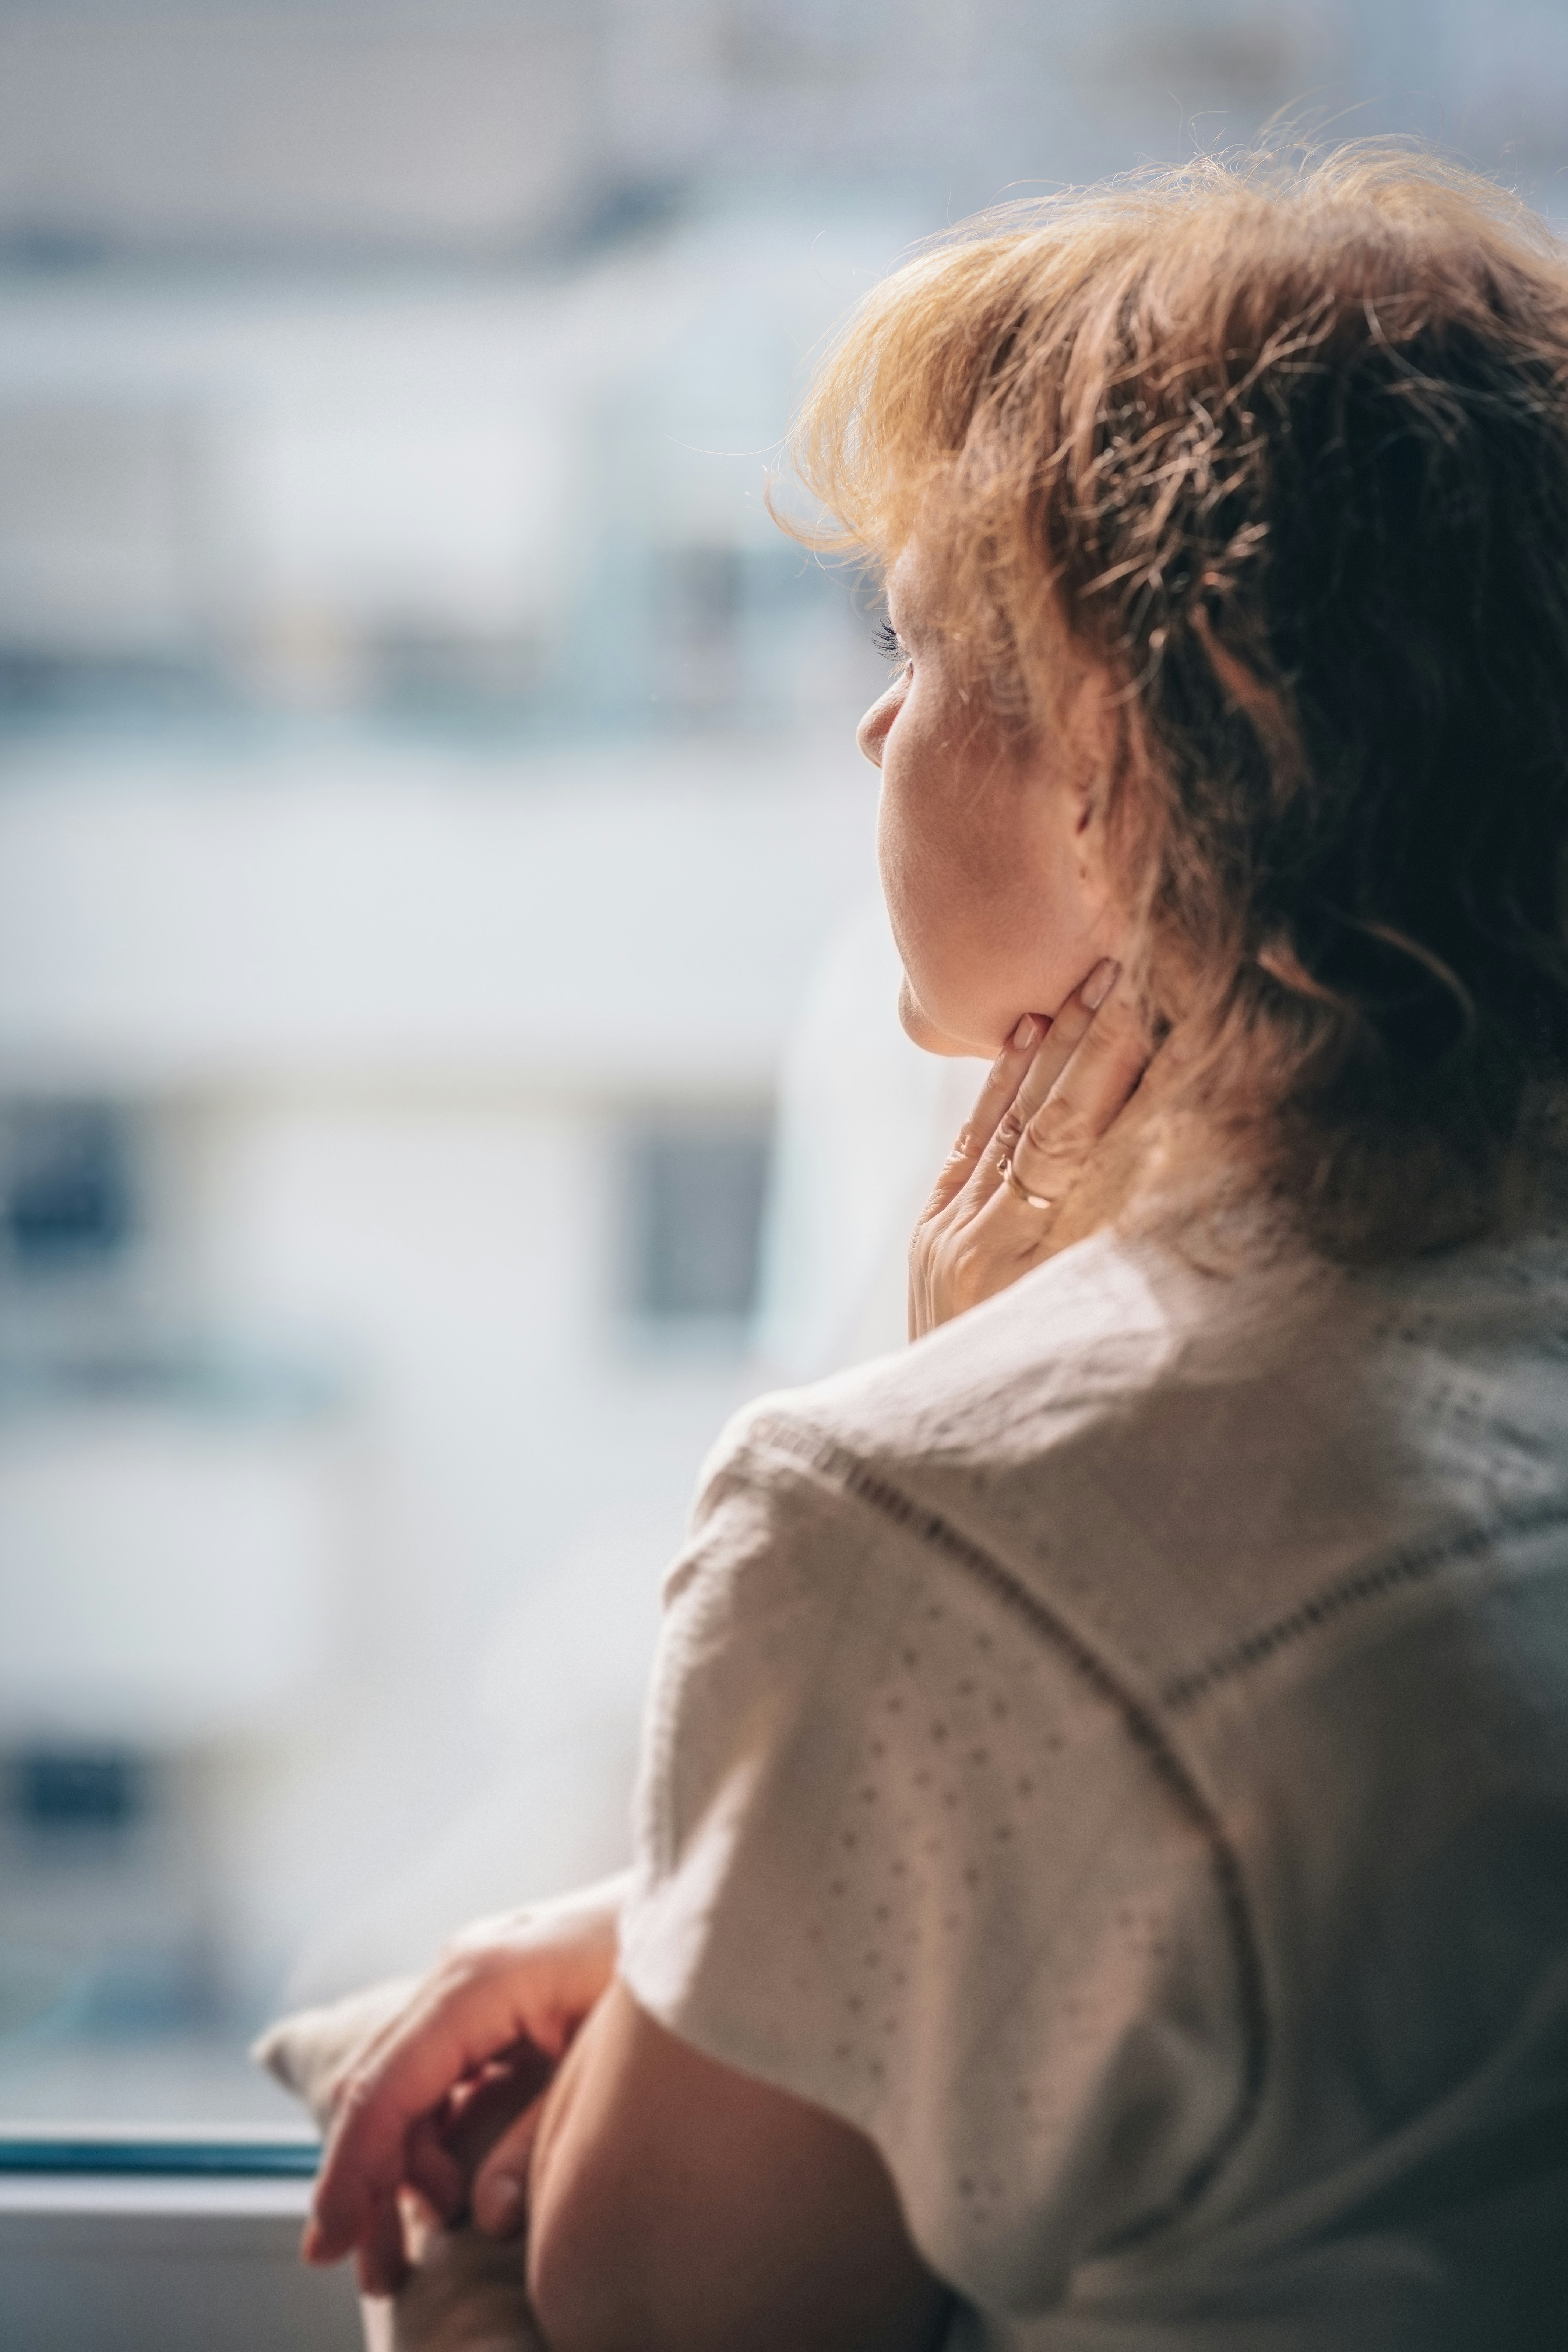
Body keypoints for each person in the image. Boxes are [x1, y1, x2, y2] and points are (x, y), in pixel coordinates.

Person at [295, 146, 1568, 2348]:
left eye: (921, 644)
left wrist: (958, 1431)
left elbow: (651, 2319)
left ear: (1144, 768)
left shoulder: (912, 1522)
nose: (876, 728)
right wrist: (709, 1916)